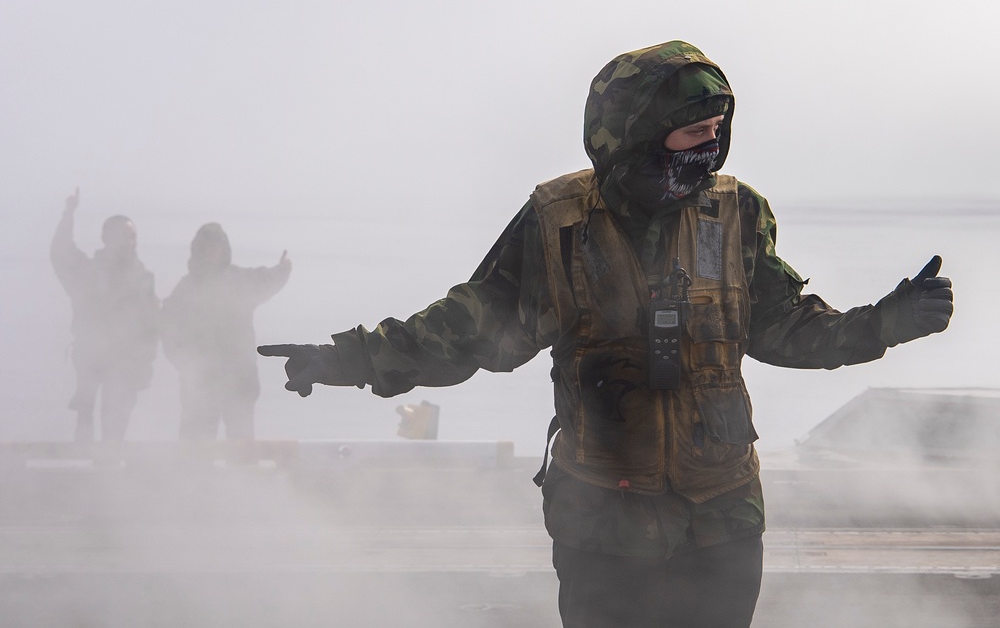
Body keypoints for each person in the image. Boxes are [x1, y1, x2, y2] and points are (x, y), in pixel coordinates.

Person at [257, 41, 954, 627]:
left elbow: (787, 327)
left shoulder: (736, 214)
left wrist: (883, 323)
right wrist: (345, 357)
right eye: (691, 132)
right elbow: (468, 327)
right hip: (605, 528)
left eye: (718, 129)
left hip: (723, 520)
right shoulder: (560, 223)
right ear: (639, 137)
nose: (709, 145)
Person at [161, 223, 291, 441]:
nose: (210, 253)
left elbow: (268, 279)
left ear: (224, 250)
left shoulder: (240, 281)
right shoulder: (186, 289)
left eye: (215, 247)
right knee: (196, 446)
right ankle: (194, 475)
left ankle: (242, 475)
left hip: (239, 381)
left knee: (241, 447)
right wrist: (185, 367)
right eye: (205, 248)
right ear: (197, 251)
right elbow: (169, 332)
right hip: (200, 385)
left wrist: (283, 268)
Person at [51, 189, 159, 443]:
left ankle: (108, 472)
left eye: (131, 236)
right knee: (85, 430)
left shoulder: (143, 279)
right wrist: (68, 214)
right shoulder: (88, 272)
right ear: (105, 238)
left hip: (126, 364)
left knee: (114, 430)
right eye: (121, 235)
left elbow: (151, 327)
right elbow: (61, 253)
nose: (127, 241)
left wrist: (146, 365)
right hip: (90, 359)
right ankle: (85, 477)